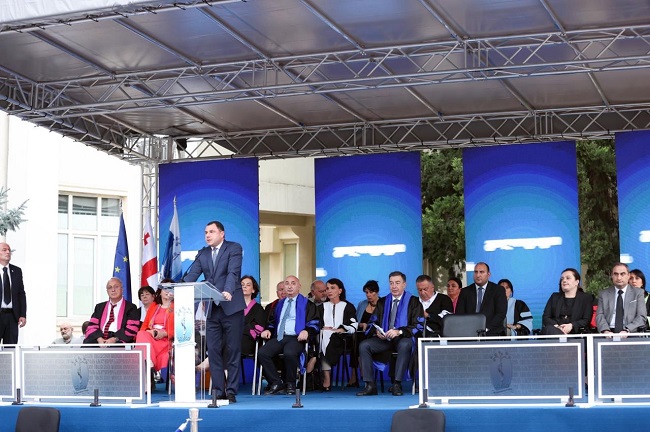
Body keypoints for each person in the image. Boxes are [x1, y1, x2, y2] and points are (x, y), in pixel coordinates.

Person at [183, 220, 243, 403]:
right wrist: (178, 288)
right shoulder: (203, 253)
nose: (208, 235)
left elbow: (233, 273)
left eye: (211, 232)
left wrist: (228, 290)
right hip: (212, 308)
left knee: (232, 350)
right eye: (206, 232)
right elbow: (192, 275)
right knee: (214, 351)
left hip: (231, 306)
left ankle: (231, 390)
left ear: (222, 233)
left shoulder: (233, 248)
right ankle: (218, 389)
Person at [356, 271, 423, 397]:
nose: (394, 286)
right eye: (391, 283)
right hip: (384, 339)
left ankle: (397, 384)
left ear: (404, 284)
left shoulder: (414, 302)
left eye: (397, 283)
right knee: (364, 345)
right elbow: (372, 322)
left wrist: (399, 331)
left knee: (405, 345)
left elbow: (418, 325)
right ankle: (370, 385)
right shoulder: (383, 302)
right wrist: (377, 331)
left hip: (403, 338)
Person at [258, 275, 320, 395]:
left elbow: (314, 323)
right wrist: (268, 330)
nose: (290, 286)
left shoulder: (307, 304)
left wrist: (307, 331)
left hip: (297, 337)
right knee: (263, 353)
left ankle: (290, 383)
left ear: (299, 286)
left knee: (289, 352)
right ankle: (276, 382)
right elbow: (272, 322)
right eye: (287, 284)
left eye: (293, 283)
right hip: (280, 336)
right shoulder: (279, 305)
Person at [317, 278, 357, 391]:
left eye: (332, 288)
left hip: (342, 339)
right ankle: (327, 377)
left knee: (329, 338)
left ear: (340, 291)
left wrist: (342, 329)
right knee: (322, 336)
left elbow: (354, 324)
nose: (329, 291)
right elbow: (316, 323)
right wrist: (322, 328)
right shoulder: (321, 307)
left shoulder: (348, 306)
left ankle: (316, 360)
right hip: (324, 336)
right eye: (327, 288)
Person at [84, 277, 140, 345]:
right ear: (107, 291)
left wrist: (114, 339)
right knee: (86, 346)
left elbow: (132, 329)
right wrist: (99, 339)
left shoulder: (131, 307)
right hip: (99, 338)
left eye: (116, 287)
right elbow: (91, 326)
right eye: (110, 287)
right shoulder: (99, 307)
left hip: (119, 339)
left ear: (122, 289)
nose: (113, 290)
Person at [456, 262, 507, 336]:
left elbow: (501, 314)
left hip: (492, 332)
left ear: (488, 275)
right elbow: (459, 314)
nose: (478, 275)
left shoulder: (498, 290)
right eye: (476, 272)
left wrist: (485, 329)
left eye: (481, 272)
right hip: (469, 332)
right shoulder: (465, 291)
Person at [596, 263, 647, 334]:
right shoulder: (604, 294)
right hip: (609, 332)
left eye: (622, 274)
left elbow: (641, 316)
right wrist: (605, 330)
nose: (619, 278)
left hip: (630, 332)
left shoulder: (638, 293)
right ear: (612, 276)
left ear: (628, 275)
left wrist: (627, 330)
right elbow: (600, 315)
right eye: (616, 274)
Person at [541, 268, 592, 335]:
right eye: (562, 279)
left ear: (577, 282)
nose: (564, 280)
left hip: (576, 334)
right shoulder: (554, 297)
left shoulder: (586, 298)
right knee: (549, 329)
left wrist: (571, 325)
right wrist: (558, 327)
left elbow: (586, 320)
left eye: (568, 278)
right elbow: (546, 317)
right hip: (554, 331)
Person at [136, 286, 174, 372]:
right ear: (160, 292)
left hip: (166, 339)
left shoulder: (177, 307)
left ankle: (151, 368)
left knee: (164, 356)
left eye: (170, 288)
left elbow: (181, 328)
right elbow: (145, 325)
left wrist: (165, 333)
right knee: (141, 333)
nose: (167, 291)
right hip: (152, 336)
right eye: (165, 288)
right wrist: (150, 331)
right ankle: (149, 364)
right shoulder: (154, 306)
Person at [349, 280, 380, 387]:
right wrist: (361, 324)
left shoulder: (382, 304)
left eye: (371, 292)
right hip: (361, 333)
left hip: (375, 335)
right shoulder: (362, 304)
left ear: (377, 292)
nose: (369, 295)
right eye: (366, 292)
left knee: (360, 342)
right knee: (355, 341)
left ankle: (362, 374)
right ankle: (356, 374)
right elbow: (355, 322)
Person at [0, 242, 26, 344]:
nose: (8, 252)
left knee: (11, 348)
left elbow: (21, 294)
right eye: (4, 250)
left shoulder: (17, 271)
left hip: (12, 317)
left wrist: (22, 314)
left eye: (9, 250)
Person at [241, 275, 266, 356]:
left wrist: (240, 328)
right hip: (232, 338)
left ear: (253, 290)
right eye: (242, 285)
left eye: (248, 285)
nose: (244, 286)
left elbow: (259, 327)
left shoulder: (258, 308)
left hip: (248, 340)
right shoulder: (234, 307)